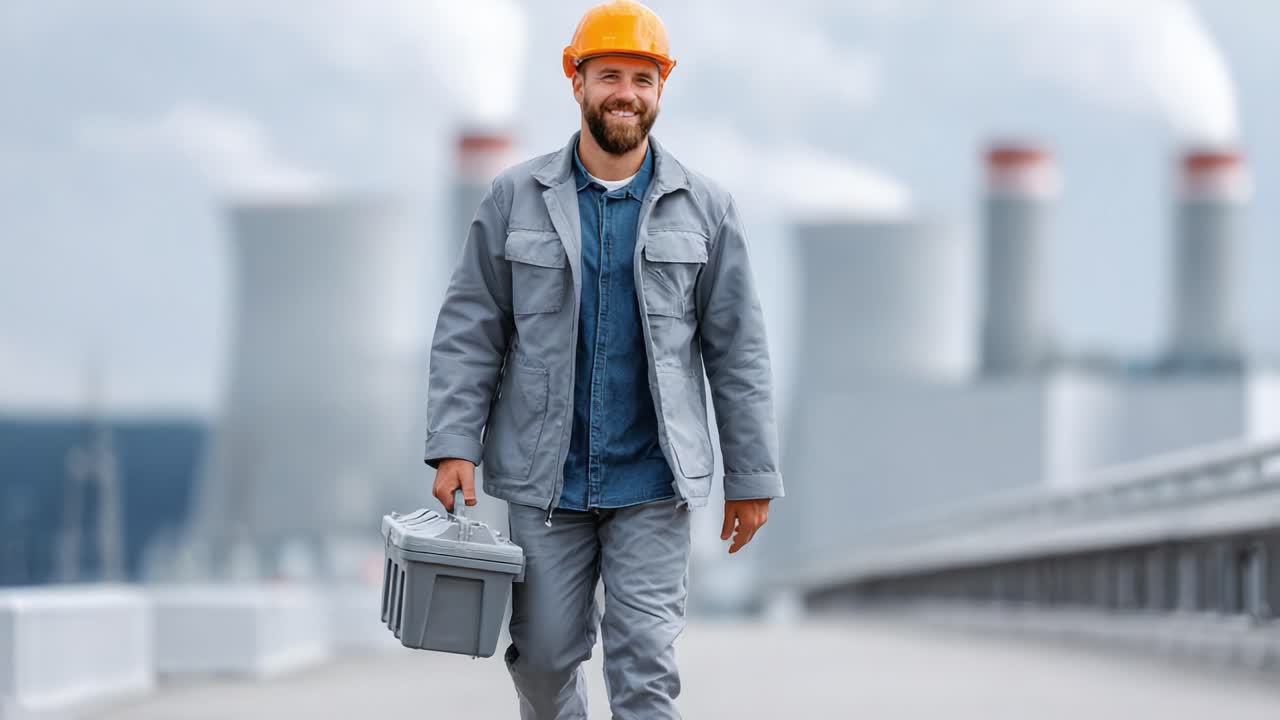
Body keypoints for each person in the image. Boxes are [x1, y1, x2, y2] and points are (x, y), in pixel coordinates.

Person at [422, 1, 785, 717]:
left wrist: (753, 475)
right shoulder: (513, 199)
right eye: (610, 75)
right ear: (576, 80)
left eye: (643, 79)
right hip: (544, 483)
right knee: (545, 660)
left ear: (661, 88)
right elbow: (470, 329)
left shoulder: (706, 208)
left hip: (653, 482)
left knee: (645, 663)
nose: (627, 92)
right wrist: (452, 447)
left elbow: (738, 349)